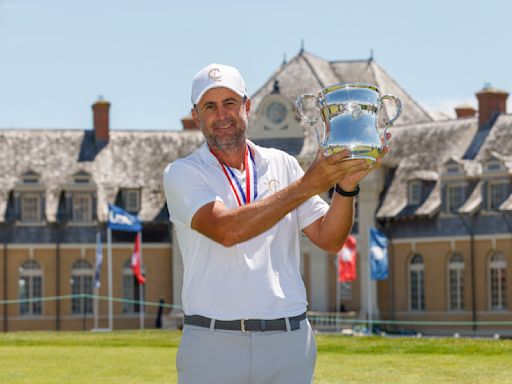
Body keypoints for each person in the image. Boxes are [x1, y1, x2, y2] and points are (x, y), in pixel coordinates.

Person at [163, 63, 386, 384]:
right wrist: (308, 185)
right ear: (196, 116)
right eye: (209, 106)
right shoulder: (182, 172)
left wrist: (345, 185)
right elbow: (226, 230)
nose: (221, 114)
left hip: (288, 339)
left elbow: (329, 239)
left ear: (247, 107)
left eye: (230, 103)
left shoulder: (284, 164)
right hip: (213, 341)